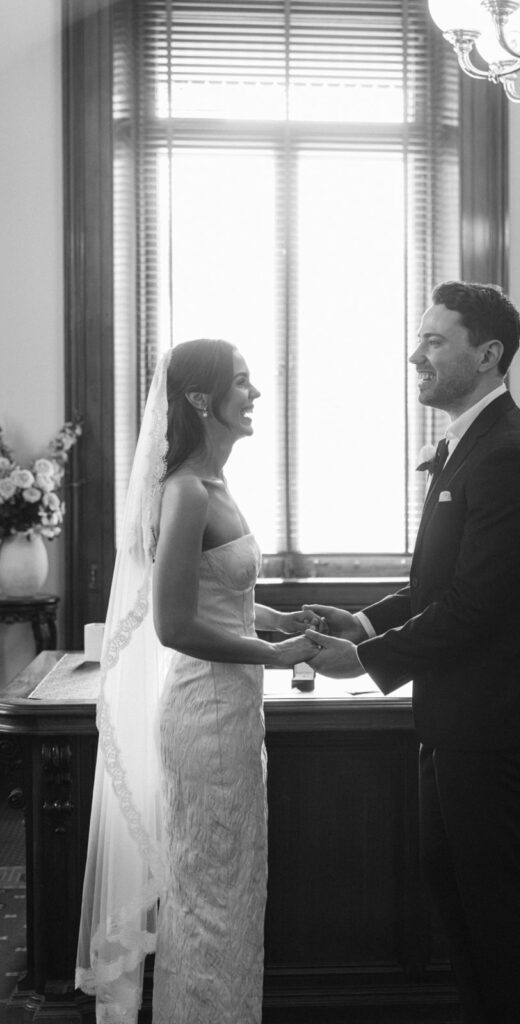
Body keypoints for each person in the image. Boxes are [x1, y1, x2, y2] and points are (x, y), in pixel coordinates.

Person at [304, 282, 520, 1024]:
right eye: (418, 339)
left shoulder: (511, 453)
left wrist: (367, 659)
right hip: (454, 714)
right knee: (452, 889)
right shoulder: (469, 444)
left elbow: (478, 605)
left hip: (495, 716)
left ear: (486, 355)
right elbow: (439, 582)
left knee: (490, 900)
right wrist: (362, 623)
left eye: (433, 341)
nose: (414, 354)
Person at [76, 338, 320, 1024]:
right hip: (204, 714)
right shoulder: (184, 490)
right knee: (208, 898)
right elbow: (174, 624)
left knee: (233, 890)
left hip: (234, 714)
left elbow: (219, 594)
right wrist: (276, 653)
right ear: (199, 399)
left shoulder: (217, 482)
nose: (256, 394)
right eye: (242, 383)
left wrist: (277, 615)